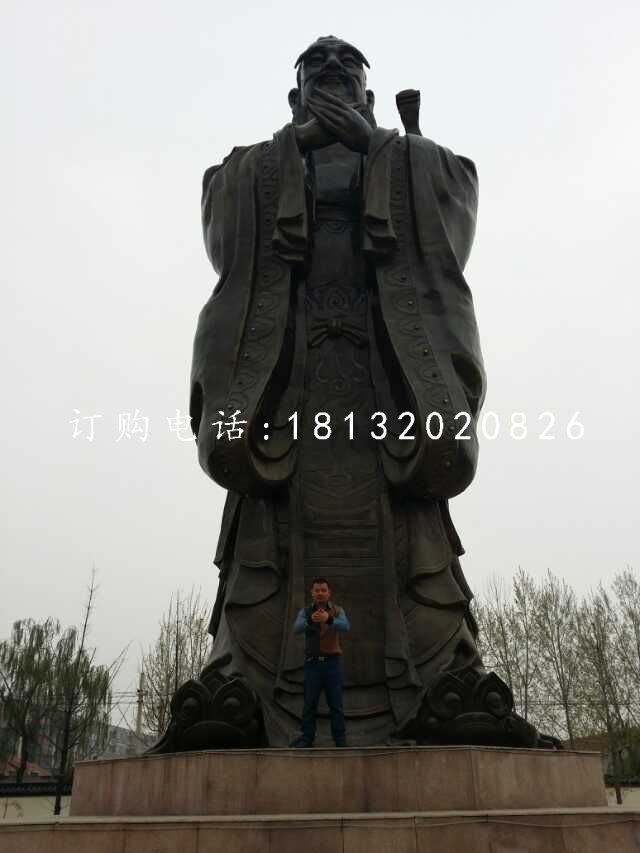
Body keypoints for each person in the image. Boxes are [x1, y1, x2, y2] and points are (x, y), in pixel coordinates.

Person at [191, 35, 486, 747]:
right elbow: (221, 210)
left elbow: (456, 194)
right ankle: (245, 681)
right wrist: (290, 149)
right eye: (316, 72)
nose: (331, 75)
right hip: (288, 391)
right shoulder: (255, 169)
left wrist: (384, 150)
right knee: (265, 544)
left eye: (346, 71)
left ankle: (440, 681)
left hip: (385, 386)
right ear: (295, 98)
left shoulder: (408, 159)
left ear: (369, 97)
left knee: (411, 533)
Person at [290, 578, 351, 748]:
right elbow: (296, 628)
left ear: (329, 593)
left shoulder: (337, 610)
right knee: (309, 703)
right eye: (317, 590)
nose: (320, 593)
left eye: (323, 590)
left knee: (336, 704)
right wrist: (311, 620)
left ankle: (340, 740)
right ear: (312, 593)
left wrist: (328, 619)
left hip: (333, 664)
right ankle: (307, 738)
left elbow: (346, 626)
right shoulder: (305, 611)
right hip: (313, 665)